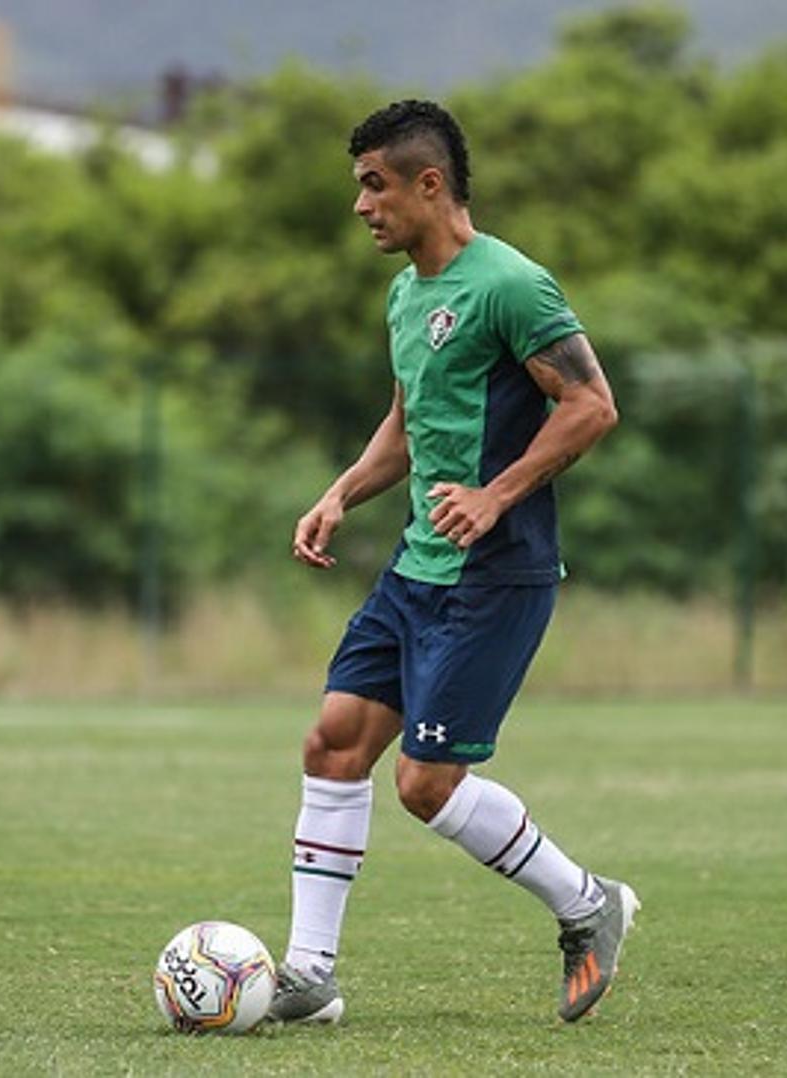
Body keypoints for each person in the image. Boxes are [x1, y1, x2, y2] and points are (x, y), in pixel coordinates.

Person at [271, 100, 633, 1024]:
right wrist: (340, 494)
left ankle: (587, 904)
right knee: (334, 742)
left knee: (425, 785)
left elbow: (592, 405)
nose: (362, 206)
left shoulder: (511, 284)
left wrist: (496, 494)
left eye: (374, 185)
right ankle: (310, 978)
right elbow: (407, 422)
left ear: (430, 185)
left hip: (495, 577)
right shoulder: (405, 295)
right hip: (415, 572)